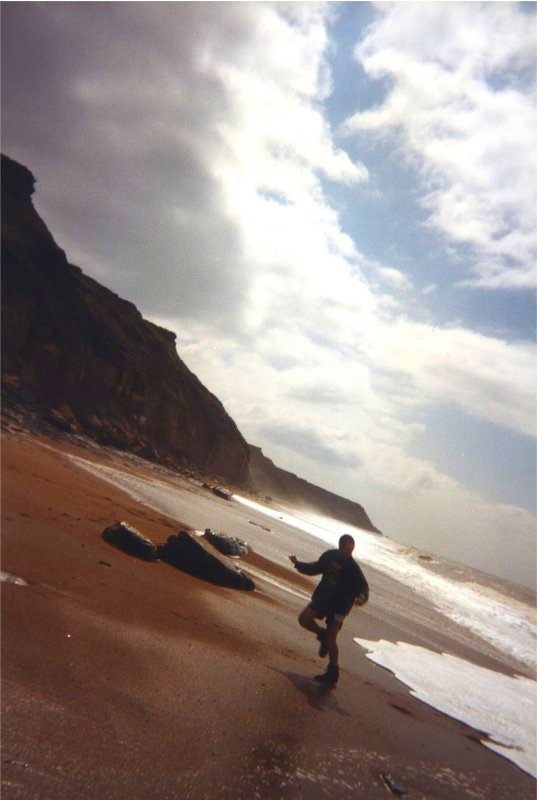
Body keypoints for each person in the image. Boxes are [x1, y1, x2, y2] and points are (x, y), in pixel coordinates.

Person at [289, 534, 369, 686]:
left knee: (332, 638)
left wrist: (361, 598)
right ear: (340, 546)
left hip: (341, 606)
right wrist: (298, 564)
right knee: (303, 619)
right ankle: (321, 634)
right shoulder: (329, 556)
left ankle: (333, 673)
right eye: (347, 549)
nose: (349, 553)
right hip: (324, 598)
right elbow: (315, 568)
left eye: (351, 550)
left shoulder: (353, 567)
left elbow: (364, 587)